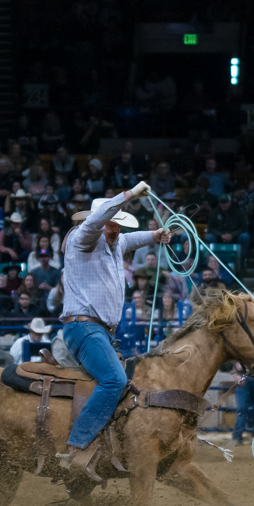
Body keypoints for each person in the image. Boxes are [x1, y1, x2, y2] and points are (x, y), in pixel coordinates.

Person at [55, 183, 171, 479]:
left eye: (117, 224)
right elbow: (98, 221)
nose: (115, 229)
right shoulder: (83, 238)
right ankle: (77, 446)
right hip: (83, 327)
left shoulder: (115, 242)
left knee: (120, 381)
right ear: (98, 221)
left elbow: (132, 239)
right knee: (115, 380)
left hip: (97, 331)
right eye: (110, 222)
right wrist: (130, 194)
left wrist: (155, 235)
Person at [229, 361, 254, 447]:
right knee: (242, 408)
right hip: (242, 376)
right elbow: (230, 358)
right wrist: (234, 374)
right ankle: (237, 436)